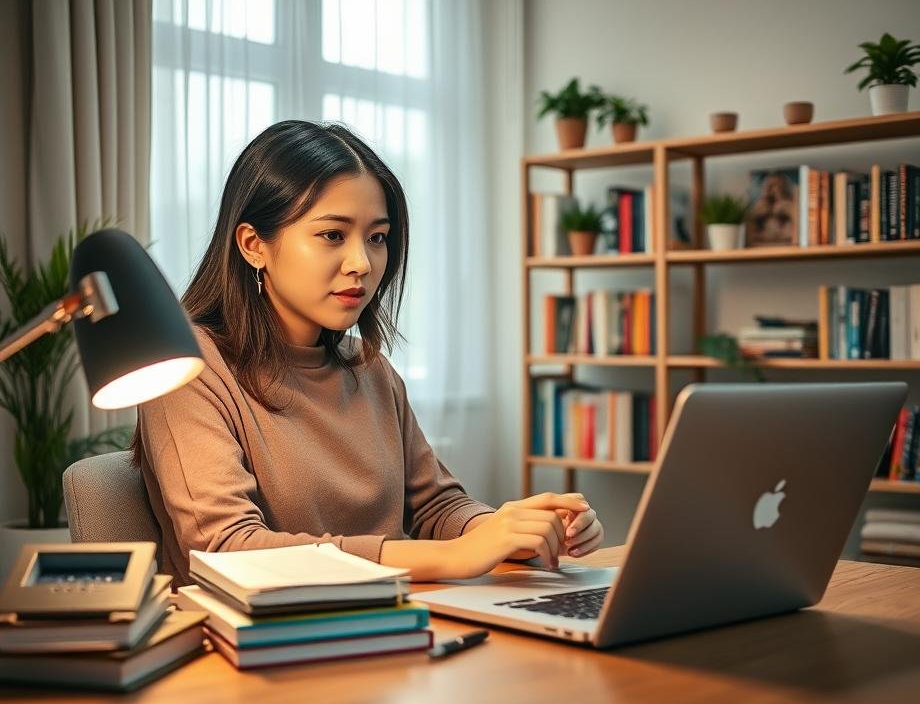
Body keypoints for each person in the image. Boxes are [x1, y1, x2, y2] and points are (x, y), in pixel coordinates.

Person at [132, 120, 604, 586]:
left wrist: (513, 530)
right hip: (263, 644)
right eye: (333, 235)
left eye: (377, 237)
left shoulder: (370, 368)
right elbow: (226, 548)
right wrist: (454, 557)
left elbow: (436, 506)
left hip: (393, 625)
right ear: (254, 245)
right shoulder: (186, 368)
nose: (362, 263)